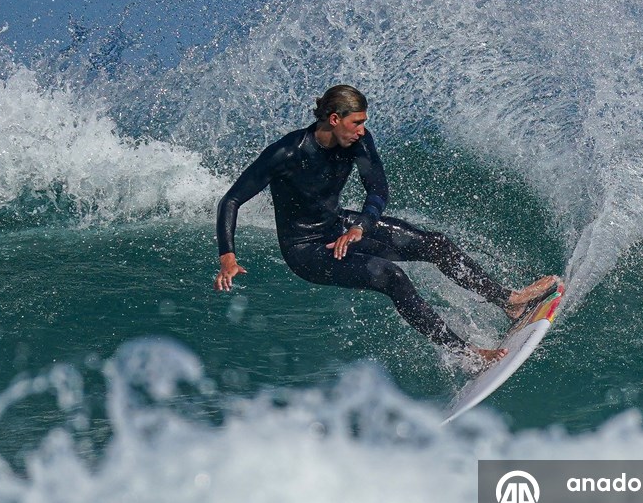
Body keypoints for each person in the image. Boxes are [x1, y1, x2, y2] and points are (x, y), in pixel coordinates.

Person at [214, 84, 558, 363]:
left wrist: (360, 226)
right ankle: (465, 353)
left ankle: (508, 301)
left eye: (364, 122)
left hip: (341, 228)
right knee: (391, 276)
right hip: (306, 251)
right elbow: (231, 200)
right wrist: (227, 256)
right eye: (356, 122)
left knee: (434, 244)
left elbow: (376, 187)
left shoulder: (357, 143)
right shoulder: (287, 153)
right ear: (334, 119)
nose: (362, 130)